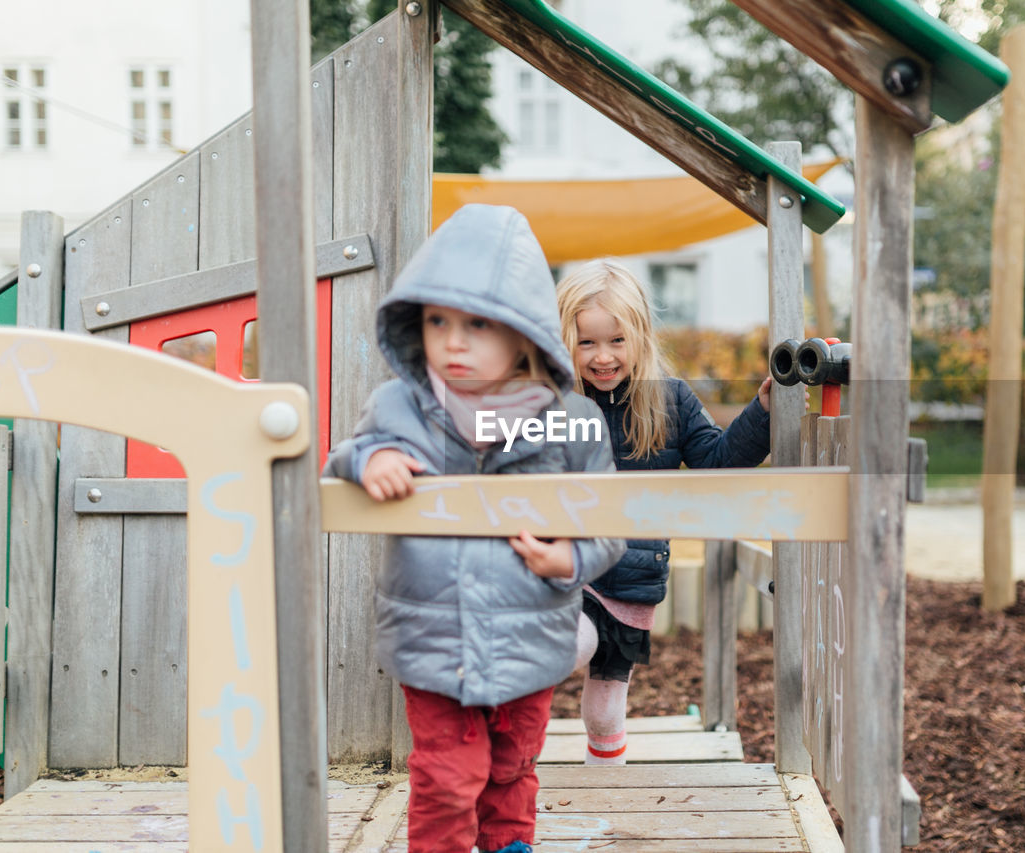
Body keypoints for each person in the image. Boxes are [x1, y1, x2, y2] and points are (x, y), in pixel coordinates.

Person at [324, 205, 624, 853]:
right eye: (437, 321)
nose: (452, 342)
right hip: (436, 637)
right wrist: (369, 459)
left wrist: (569, 555)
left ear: (523, 334)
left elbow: (608, 519)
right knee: (446, 775)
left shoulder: (570, 419)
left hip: (529, 635)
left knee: (511, 767)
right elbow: (341, 456)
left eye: (477, 325)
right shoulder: (398, 406)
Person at [556, 258, 773, 765]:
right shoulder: (550, 405)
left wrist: (763, 413)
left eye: (616, 340)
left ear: (641, 338)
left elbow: (717, 462)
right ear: (564, 340)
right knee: (572, 643)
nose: (603, 356)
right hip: (568, 569)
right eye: (587, 342)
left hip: (631, 582)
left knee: (606, 710)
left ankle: (605, 786)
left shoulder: (669, 402)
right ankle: (495, 743)